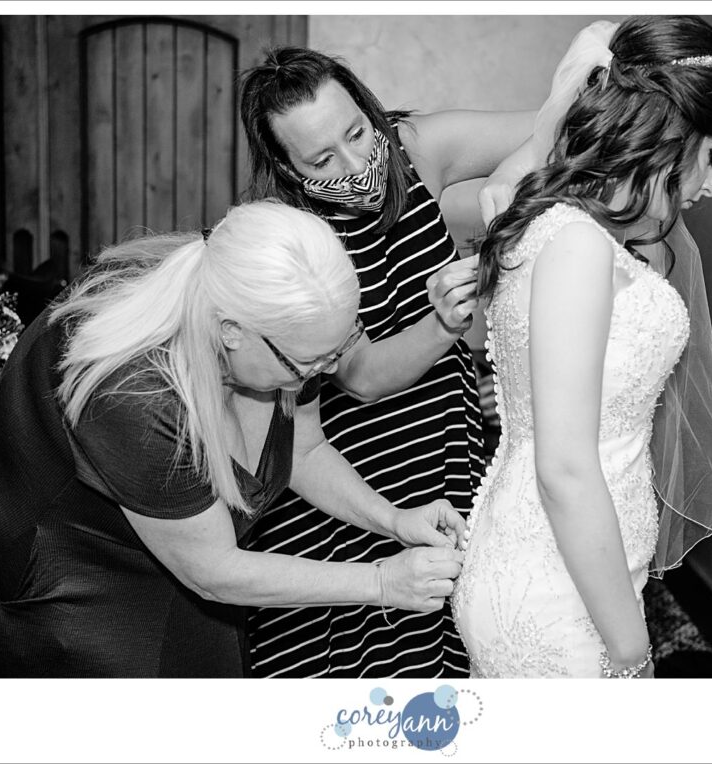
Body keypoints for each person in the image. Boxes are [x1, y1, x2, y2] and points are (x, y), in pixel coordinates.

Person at [0, 200, 467, 678]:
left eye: (337, 351)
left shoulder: (267, 326)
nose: (322, 376)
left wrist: (392, 519)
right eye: (307, 365)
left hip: (175, 535)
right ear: (231, 332)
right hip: (53, 551)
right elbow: (215, 570)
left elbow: (304, 448)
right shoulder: (135, 398)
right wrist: (383, 582)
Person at [452, 16, 712, 677]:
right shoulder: (577, 247)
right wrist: (631, 651)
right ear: (671, 133)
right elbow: (565, 468)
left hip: (574, 571)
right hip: (555, 592)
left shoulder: (572, 231)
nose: (711, 185)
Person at [238, 46, 536, 677]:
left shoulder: (413, 147)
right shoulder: (293, 232)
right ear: (288, 170)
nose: (355, 163)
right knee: (367, 664)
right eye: (322, 159)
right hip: (353, 459)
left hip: (440, 430)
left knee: (448, 634)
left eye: (356, 132)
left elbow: (552, 129)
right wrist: (444, 323)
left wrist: (507, 185)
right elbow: (363, 375)